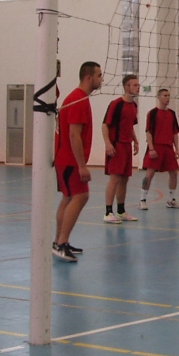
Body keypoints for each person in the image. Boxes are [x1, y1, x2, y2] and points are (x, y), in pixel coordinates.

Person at [53, 61, 102, 263]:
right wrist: (82, 165)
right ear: (89, 77)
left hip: (65, 159)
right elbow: (74, 135)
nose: (101, 79)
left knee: (68, 198)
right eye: (99, 75)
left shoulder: (78, 98)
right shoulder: (78, 99)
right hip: (69, 160)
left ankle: (58, 241)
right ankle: (61, 243)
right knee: (81, 196)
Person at [102, 74, 141, 224]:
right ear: (126, 87)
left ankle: (120, 211)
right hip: (116, 145)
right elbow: (105, 125)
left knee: (124, 179)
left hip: (127, 145)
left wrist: (135, 141)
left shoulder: (134, 106)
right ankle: (108, 212)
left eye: (138, 85)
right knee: (115, 178)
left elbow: (129, 126)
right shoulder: (116, 104)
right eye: (135, 85)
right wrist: (107, 143)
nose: (138, 87)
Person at [139, 88, 179, 210]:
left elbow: (175, 133)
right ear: (159, 97)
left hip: (168, 148)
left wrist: (177, 149)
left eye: (169, 95)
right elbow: (148, 132)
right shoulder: (152, 113)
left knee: (174, 173)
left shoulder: (171, 114)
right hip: (156, 147)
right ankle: (142, 200)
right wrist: (151, 148)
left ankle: (172, 200)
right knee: (150, 174)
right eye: (165, 95)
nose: (167, 98)